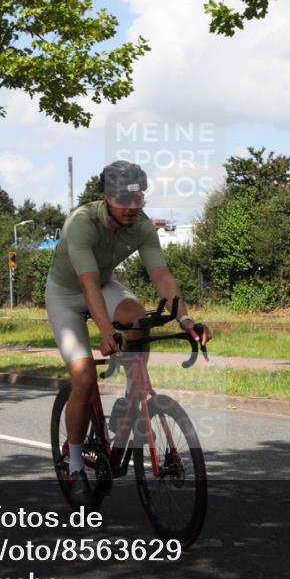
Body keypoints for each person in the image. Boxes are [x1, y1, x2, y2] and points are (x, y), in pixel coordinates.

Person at [45, 161, 212, 505]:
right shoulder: (82, 224)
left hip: (103, 285)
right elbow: (86, 283)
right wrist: (106, 332)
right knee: (84, 375)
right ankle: (74, 463)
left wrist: (186, 320)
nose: (131, 208)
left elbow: (162, 277)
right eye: (123, 200)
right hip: (66, 293)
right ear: (104, 197)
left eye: (137, 200)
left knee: (139, 317)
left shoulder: (142, 226)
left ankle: (130, 398)